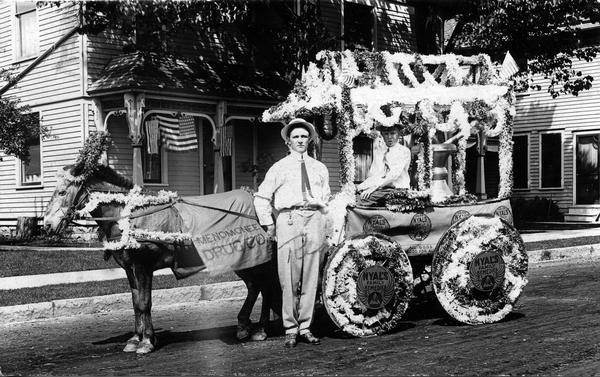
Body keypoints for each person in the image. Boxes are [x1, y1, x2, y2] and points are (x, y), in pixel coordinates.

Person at [253, 118, 331, 348]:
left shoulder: (320, 168)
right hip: (289, 219)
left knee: (310, 275)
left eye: (304, 136)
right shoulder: (279, 167)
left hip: (314, 218)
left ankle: (305, 326)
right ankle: (290, 328)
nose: (300, 140)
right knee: (289, 275)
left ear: (310, 140)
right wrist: (269, 224)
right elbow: (262, 197)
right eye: (295, 137)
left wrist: (325, 222)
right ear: (288, 141)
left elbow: (325, 197)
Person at [356, 124, 411, 204]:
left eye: (393, 133)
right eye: (386, 134)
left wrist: (374, 188)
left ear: (398, 134)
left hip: (398, 188)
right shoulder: (380, 151)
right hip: (381, 189)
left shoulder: (403, 151)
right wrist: (361, 187)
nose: (389, 137)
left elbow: (393, 175)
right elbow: (374, 174)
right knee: (356, 195)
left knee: (364, 199)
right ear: (382, 135)